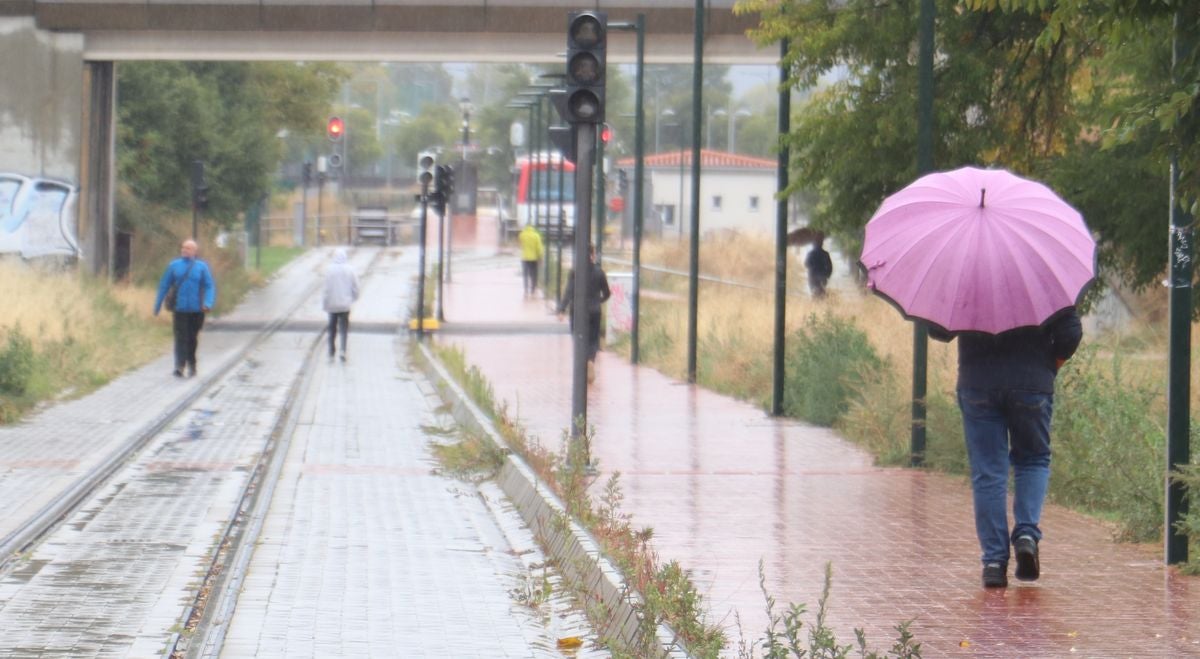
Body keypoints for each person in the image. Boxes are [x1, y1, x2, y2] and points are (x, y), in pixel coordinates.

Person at [932, 309, 1083, 588]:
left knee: (988, 472)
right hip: (1032, 381)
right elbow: (1070, 332)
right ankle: (1026, 534)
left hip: (978, 383)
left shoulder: (966, 272)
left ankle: (993, 562)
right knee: (1033, 459)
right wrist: (1051, 365)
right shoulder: (1042, 270)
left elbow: (938, 330)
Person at [154, 239, 216, 378]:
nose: (184, 250)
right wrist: (157, 305)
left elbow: (209, 286)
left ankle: (192, 364)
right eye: (183, 247)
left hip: (197, 309)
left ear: (195, 251)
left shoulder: (202, 267)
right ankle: (179, 366)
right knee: (180, 337)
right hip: (180, 309)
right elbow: (164, 285)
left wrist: (208, 302)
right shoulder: (174, 266)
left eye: (188, 248)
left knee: (192, 338)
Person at [557, 244, 611, 383]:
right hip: (595, 310)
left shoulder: (575, 272)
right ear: (593, 255)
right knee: (593, 340)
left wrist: (562, 309)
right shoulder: (600, 272)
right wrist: (598, 300)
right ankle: (591, 360)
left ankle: (582, 366)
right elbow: (607, 293)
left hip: (578, 311)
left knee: (578, 337)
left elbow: (569, 291)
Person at [323, 248, 360, 362]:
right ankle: (343, 350)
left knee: (332, 328)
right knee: (344, 328)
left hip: (332, 304)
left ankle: (331, 351)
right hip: (345, 304)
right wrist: (353, 298)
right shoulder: (350, 270)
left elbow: (326, 289)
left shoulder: (329, 270)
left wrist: (325, 302)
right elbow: (356, 287)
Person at [518, 223, 545, 297]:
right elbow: (539, 248)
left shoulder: (522, 234)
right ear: (532, 227)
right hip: (534, 258)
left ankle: (526, 290)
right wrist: (541, 257)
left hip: (524, 258)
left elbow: (520, 245)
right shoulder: (536, 235)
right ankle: (533, 290)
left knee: (525, 275)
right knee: (534, 274)